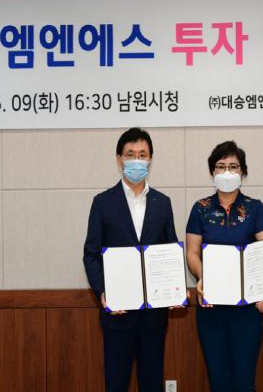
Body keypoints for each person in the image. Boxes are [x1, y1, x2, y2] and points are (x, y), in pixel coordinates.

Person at [83, 127, 179, 392]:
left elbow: (170, 251)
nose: (137, 160)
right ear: (119, 159)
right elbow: (91, 254)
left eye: (142, 154)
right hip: (118, 314)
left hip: (153, 316)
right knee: (116, 384)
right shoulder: (102, 203)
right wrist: (103, 292)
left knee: (152, 383)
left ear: (150, 159)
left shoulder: (163, 203)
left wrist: (174, 289)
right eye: (131, 154)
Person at [186, 140, 263, 392]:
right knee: (219, 381)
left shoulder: (255, 208)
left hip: (245, 310)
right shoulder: (200, 209)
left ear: (243, 172)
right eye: (220, 166)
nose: (227, 172)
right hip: (211, 306)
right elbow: (192, 253)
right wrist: (203, 277)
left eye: (233, 166)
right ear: (212, 172)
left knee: (245, 382)